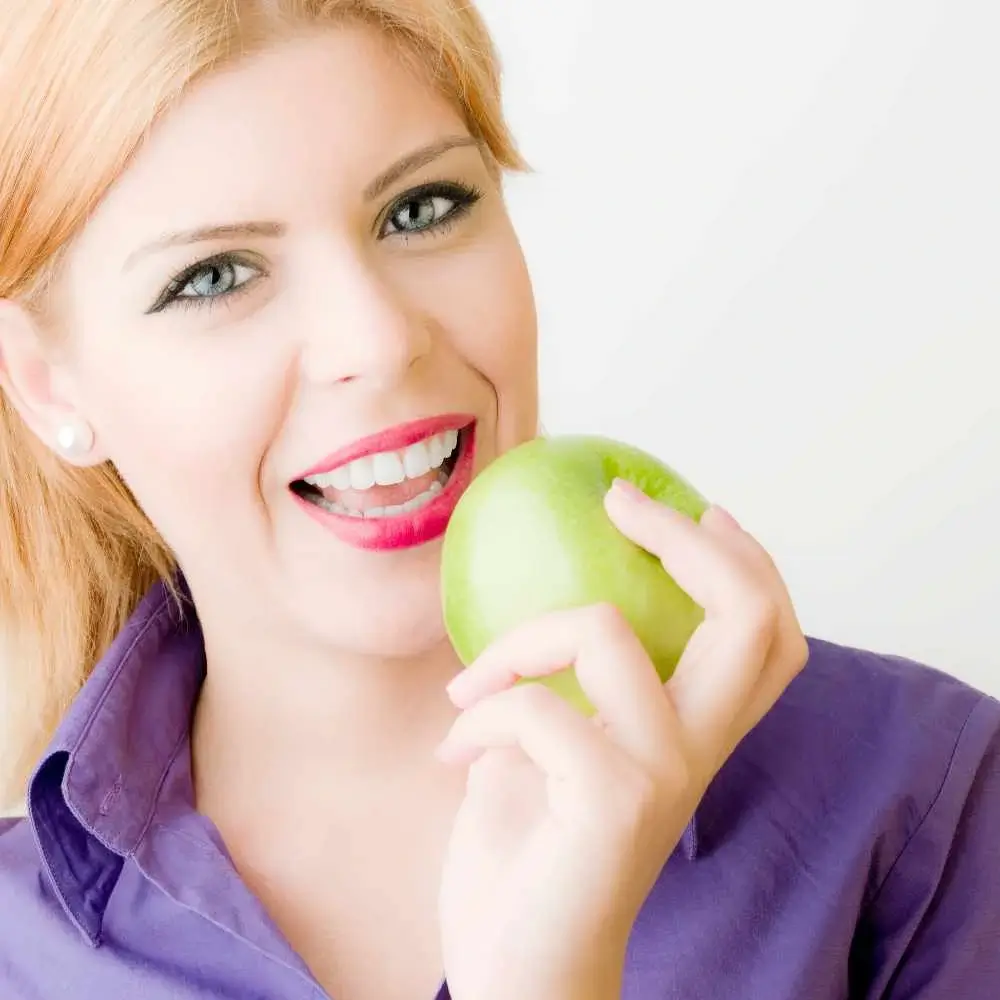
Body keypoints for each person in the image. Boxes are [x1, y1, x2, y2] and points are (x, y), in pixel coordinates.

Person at [0, 1, 997, 998]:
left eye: (421, 208)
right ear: (48, 384)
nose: (378, 339)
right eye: (214, 276)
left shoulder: (915, 802)